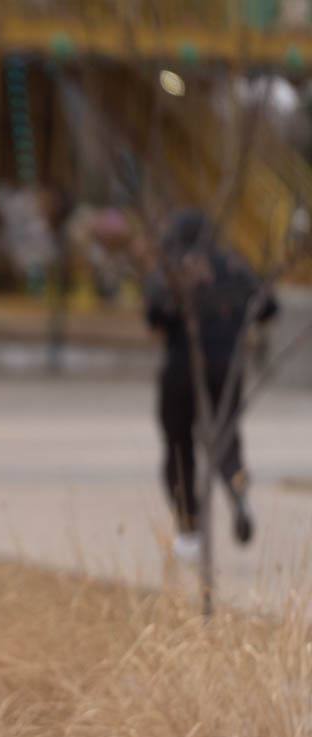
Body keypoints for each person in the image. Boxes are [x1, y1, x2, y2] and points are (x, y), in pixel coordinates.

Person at [146, 209, 279, 563]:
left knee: (178, 445)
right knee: (225, 437)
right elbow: (269, 306)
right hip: (228, 367)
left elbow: (154, 314)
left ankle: (189, 530)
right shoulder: (234, 266)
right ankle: (236, 481)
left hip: (182, 367)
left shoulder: (174, 270)